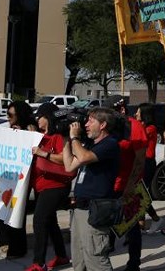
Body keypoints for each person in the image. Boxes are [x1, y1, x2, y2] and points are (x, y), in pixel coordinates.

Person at [62, 108, 120, 271]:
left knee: (96, 258)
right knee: (79, 258)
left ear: (102, 125)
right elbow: (69, 166)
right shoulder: (89, 144)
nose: (85, 125)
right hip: (80, 208)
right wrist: (67, 139)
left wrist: (75, 137)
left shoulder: (110, 144)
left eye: (90, 121)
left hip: (95, 209)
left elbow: (84, 157)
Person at [25, 104, 72, 271]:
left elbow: (65, 160)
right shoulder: (39, 136)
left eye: (41, 116)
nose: (38, 119)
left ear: (49, 118)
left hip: (56, 185)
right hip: (41, 186)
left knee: (39, 220)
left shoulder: (59, 136)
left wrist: (43, 153)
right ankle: (61, 256)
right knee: (50, 222)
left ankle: (39, 263)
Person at [0, 100, 37, 260]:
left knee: (16, 214)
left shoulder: (31, 129)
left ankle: (18, 248)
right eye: (7, 114)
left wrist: (25, 135)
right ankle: (5, 243)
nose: (8, 118)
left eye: (11, 115)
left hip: (22, 181)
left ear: (21, 116)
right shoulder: (7, 128)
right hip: (5, 178)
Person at [108, 98, 148, 271]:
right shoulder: (108, 126)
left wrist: (131, 185)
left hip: (127, 185)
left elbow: (140, 160)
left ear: (122, 110)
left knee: (131, 227)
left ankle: (134, 263)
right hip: (109, 185)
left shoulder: (134, 127)